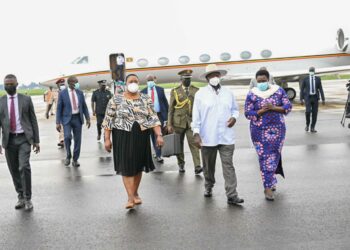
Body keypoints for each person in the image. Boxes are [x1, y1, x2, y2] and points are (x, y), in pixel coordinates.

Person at [103, 74, 164, 209]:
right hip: (122, 136)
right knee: (126, 167)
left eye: (136, 81)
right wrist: (107, 139)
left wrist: (159, 135)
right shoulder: (116, 99)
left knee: (138, 166)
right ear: (125, 84)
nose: (133, 83)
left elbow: (153, 117)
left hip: (141, 136)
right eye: (131, 81)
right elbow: (108, 120)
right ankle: (130, 197)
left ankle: (135, 193)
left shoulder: (145, 98)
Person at [192, 64, 244, 205]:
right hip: (208, 137)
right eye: (211, 75)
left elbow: (235, 109)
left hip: (226, 136)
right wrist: (196, 134)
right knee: (208, 167)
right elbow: (195, 117)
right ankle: (208, 186)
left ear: (220, 76)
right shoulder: (200, 94)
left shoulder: (228, 92)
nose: (214, 77)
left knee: (228, 166)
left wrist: (234, 117)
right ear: (207, 78)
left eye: (216, 75)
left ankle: (232, 195)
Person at [245, 69, 292, 201]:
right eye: (259, 81)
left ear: (268, 80)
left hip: (277, 131)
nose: (261, 83)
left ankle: (271, 182)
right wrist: (260, 111)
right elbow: (248, 113)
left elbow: (288, 107)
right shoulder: (252, 94)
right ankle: (267, 188)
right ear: (255, 81)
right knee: (264, 158)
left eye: (264, 81)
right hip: (258, 132)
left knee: (274, 156)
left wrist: (273, 108)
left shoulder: (278, 91)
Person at [0, 74, 40, 211]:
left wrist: (36, 140)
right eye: (6, 84)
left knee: (23, 167)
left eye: (11, 84)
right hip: (9, 140)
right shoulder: (1, 101)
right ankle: (20, 196)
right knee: (14, 170)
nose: (9, 86)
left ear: (17, 84)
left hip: (24, 138)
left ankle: (28, 198)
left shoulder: (26, 99)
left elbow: (33, 120)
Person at [168, 69, 202, 174]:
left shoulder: (196, 90)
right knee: (179, 144)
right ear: (181, 79)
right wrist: (169, 124)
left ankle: (197, 166)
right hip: (178, 122)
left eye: (189, 79)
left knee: (194, 144)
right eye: (185, 79)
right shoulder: (175, 91)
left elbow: (199, 107)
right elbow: (171, 109)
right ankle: (181, 164)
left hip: (191, 122)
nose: (188, 81)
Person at [56, 76, 91, 167]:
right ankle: (68, 156)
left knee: (78, 140)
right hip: (67, 119)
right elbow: (59, 108)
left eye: (77, 82)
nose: (77, 83)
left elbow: (84, 106)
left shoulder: (80, 92)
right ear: (70, 83)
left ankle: (75, 159)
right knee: (67, 137)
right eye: (75, 82)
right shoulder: (62, 93)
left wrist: (88, 118)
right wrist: (57, 122)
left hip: (77, 118)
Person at [141, 75, 169, 163]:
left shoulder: (160, 90)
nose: (150, 81)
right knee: (152, 136)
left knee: (158, 135)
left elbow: (165, 103)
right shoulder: (143, 91)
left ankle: (158, 154)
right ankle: (156, 152)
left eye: (151, 80)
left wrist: (167, 118)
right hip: (149, 116)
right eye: (148, 80)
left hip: (159, 115)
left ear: (155, 80)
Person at [300, 67, 325, 133]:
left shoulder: (318, 79)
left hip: (315, 98)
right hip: (308, 98)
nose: (311, 71)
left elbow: (321, 89)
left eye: (312, 71)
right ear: (309, 71)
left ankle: (312, 127)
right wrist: (301, 99)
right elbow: (302, 89)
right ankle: (307, 125)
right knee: (308, 112)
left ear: (314, 71)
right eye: (310, 71)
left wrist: (323, 99)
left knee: (315, 113)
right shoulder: (305, 79)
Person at [55, 78, 66, 148]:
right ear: (58, 85)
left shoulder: (67, 92)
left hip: (66, 113)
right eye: (61, 84)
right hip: (59, 113)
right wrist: (47, 111)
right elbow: (50, 103)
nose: (62, 85)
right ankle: (62, 140)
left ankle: (63, 140)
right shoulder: (56, 93)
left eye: (63, 84)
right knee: (60, 127)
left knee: (64, 127)